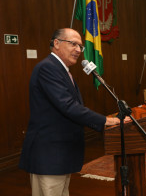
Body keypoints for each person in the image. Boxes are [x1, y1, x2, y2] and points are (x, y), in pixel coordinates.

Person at [19, 28, 130, 196]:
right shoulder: (47, 68)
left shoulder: (62, 70)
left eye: (80, 46)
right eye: (73, 44)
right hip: (49, 153)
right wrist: (105, 121)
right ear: (56, 43)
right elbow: (68, 106)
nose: (78, 50)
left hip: (61, 152)